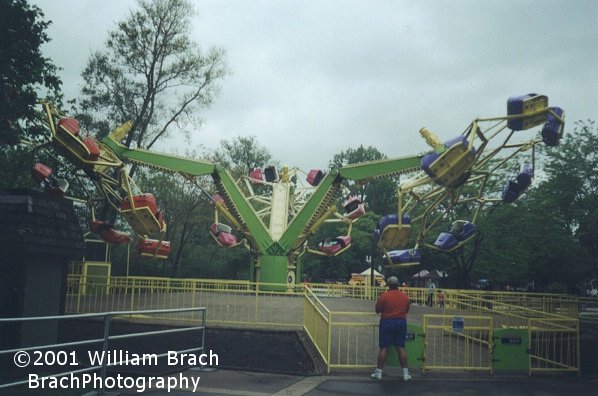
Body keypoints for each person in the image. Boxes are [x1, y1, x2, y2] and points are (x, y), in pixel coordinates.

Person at [371, 276, 411, 381]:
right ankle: (406, 373)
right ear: (398, 285)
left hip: (387, 322)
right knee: (401, 348)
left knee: (384, 348)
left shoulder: (384, 296)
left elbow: (377, 310)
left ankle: (379, 372)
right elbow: (407, 309)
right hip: (401, 323)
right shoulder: (405, 296)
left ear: (388, 285)